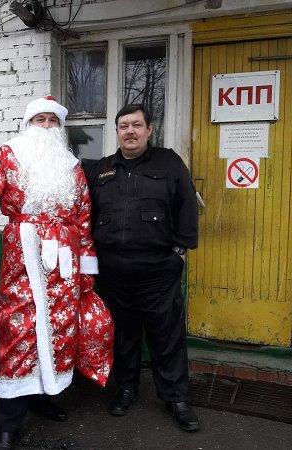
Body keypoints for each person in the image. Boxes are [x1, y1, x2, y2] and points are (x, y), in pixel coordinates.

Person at [0, 96, 112, 450]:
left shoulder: (71, 166)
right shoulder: (9, 154)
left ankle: (42, 397)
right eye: (40, 119)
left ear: (59, 127)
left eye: (53, 120)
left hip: (64, 264)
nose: (47, 126)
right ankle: (8, 426)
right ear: (28, 123)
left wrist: (86, 270)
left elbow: (83, 218)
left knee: (58, 333)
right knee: (19, 333)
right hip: (24, 259)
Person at [87, 104, 200, 431]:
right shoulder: (102, 169)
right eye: (124, 126)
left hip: (158, 269)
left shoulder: (169, 163)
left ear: (149, 130)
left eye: (137, 125)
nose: (130, 131)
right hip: (113, 271)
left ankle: (176, 398)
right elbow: (87, 213)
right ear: (117, 132)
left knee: (167, 334)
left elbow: (187, 205)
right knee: (123, 334)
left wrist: (179, 252)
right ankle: (125, 388)